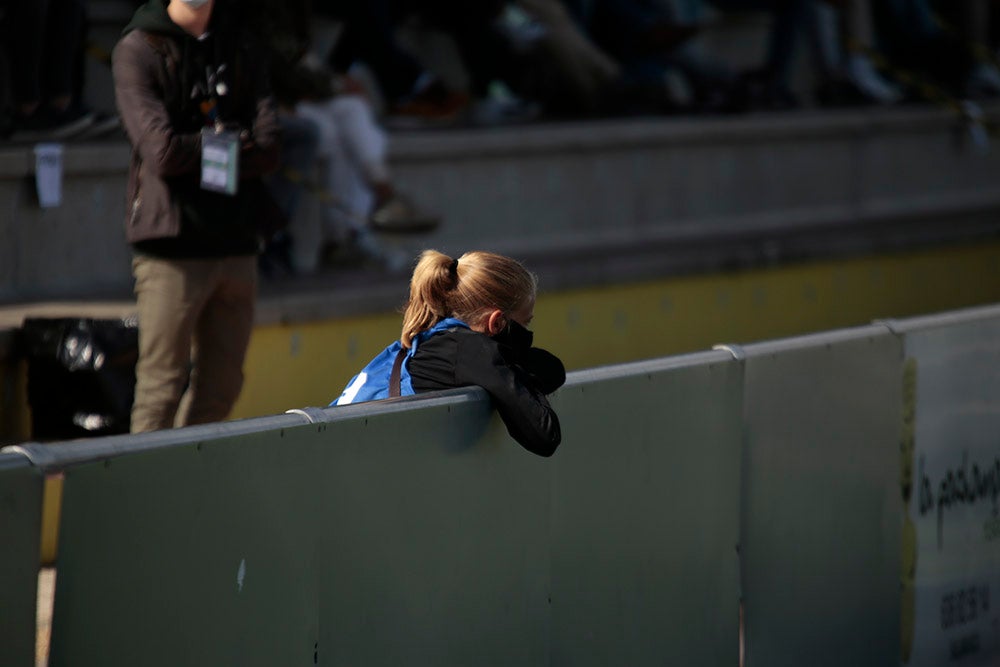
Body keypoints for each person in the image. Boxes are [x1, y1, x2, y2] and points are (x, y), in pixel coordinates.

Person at [112, 0, 281, 432]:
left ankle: (189, 481)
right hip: (172, 246)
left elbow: (269, 147)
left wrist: (204, 143)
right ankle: (145, 492)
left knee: (222, 388)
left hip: (237, 241)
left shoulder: (241, 45)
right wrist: (229, 140)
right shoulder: (139, 48)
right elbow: (161, 153)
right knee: (160, 388)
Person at [333, 249, 565, 457]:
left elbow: (552, 370)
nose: (527, 333)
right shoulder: (468, 350)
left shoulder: (436, 341)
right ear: (496, 323)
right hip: (343, 456)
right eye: (525, 324)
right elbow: (544, 434)